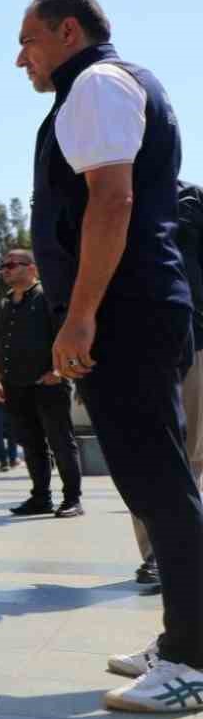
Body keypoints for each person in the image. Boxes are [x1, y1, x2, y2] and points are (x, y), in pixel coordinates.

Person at [16, 0, 203, 712]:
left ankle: (193, 658)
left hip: (126, 314)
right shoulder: (105, 86)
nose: (22, 59)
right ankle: (183, 633)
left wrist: (81, 315)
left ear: (69, 31)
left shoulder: (96, 83)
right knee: (152, 485)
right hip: (130, 312)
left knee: (161, 485)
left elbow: (113, 201)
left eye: (29, 41)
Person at [130, 181, 203, 584]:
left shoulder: (192, 198)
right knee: (145, 456)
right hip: (133, 347)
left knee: (192, 456)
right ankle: (158, 553)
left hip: (196, 339)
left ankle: (183, 548)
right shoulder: (102, 192)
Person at [0, 249, 81, 518]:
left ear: (32, 268)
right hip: (16, 386)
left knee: (61, 442)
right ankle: (41, 498)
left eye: (11, 265)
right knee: (31, 445)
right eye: (3, 266)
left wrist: (59, 372)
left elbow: (68, 335)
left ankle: (72, 499)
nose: (5, 270)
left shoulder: (48, 298)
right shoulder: (4, 305)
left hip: (48, 384)